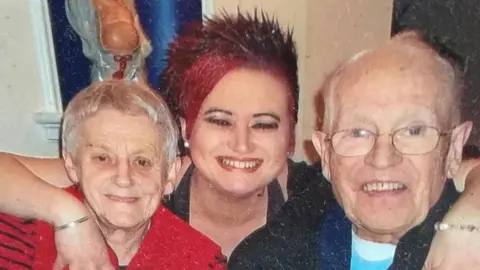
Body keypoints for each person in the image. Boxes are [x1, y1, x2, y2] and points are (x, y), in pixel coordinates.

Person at [1, 11, 480, 267]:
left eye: (266, 123)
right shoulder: (144, 176)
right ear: (186, 131)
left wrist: (467, 225)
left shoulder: (323, 189)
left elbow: (449, 163)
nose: (242, 144)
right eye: (220, 120)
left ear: (299, 136)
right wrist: (68, 214)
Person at [229, 31, 480, 269]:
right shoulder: (269, 257)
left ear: (455, 148)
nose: (382, 159)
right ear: (325, 155)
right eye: (358, 133)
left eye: (413, 131)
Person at [0, 80, 226, 269]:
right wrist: (70, 217)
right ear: (71, 163)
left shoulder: (201, 261)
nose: (124, 178)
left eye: (142, 162)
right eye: (102, 158)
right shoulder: (22, 235)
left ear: (169, 175)